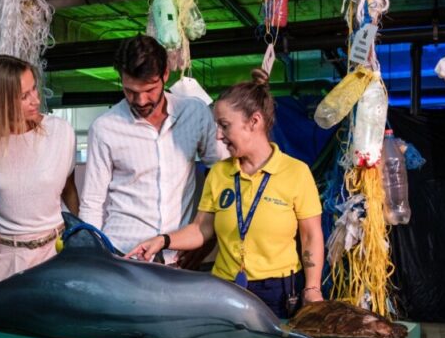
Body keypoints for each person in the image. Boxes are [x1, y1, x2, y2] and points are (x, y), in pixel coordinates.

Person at [126, 69, 324, 318]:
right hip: (224, 288)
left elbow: (311, 236)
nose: (218, 135)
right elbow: (202, 228)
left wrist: (312, 288)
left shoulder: (295, 172)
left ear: (254, 121)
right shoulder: (219, 173)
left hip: (279, 292)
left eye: (225, 126)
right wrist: (162, 240)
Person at [79, 34, 227, 265]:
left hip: (177, 253)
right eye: (130, 91)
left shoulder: (194, 113)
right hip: (122, 252)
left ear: (165, 74)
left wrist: (206, 238)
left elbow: (220, 172)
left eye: (149, 89)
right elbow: (92, 202)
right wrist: (93, 258)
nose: (140, 100)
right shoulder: (105, 128)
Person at [0, 55, 77, 305]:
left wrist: (84, 245)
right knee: (11, 336)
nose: (36, 100)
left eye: (34, 89)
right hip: (9, 256)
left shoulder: (60, 133)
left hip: (57, 251)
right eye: (24, 96)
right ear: (1, 101)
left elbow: (70, 192)